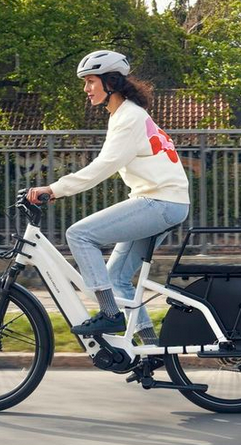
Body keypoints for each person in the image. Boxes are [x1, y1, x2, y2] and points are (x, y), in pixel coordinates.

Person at [27, 50, 190, 341]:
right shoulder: (126, 114)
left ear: (110, 82)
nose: (86, 89)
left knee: (79, 235)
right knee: (116, 278)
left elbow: (103, 166)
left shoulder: (129, 117)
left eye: (91, 81)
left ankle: (110, 314)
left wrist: (55, 189)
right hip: (164, 202)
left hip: (160, 202)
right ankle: (150, 349)